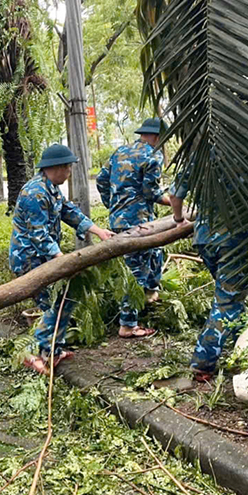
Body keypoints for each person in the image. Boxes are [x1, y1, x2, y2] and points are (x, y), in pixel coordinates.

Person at [10, 144, 115, 374]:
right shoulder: (35, 193)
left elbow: (69, 211)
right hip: (31, 259)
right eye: (67, 167)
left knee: (64, 300)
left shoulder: (52, 189)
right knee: (54, 304)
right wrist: (63, 260)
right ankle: (35, 353)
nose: (69, 172)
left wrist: (98, 231)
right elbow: (39, 235)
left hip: (45, 258)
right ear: (54, 168)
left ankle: (53, 350)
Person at [169, 168, 248, 382]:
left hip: (205, 238)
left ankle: (242, 346)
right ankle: (202, 362)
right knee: (228, 302)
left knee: (233, 296)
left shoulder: (201, 152)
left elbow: (174, 194)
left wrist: (179, 219)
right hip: (235, 240)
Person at [96, 117, 171, 339]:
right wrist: (175, 202)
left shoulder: (120, 152)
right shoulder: (152, 156)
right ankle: (128, 325)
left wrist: (113, 204)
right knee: (136, 271)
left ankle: (149, 295)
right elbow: (152, 193)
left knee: (156, 253)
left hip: (118, 220)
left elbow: (101, 180)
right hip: (139, 223)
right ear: (158, 137)